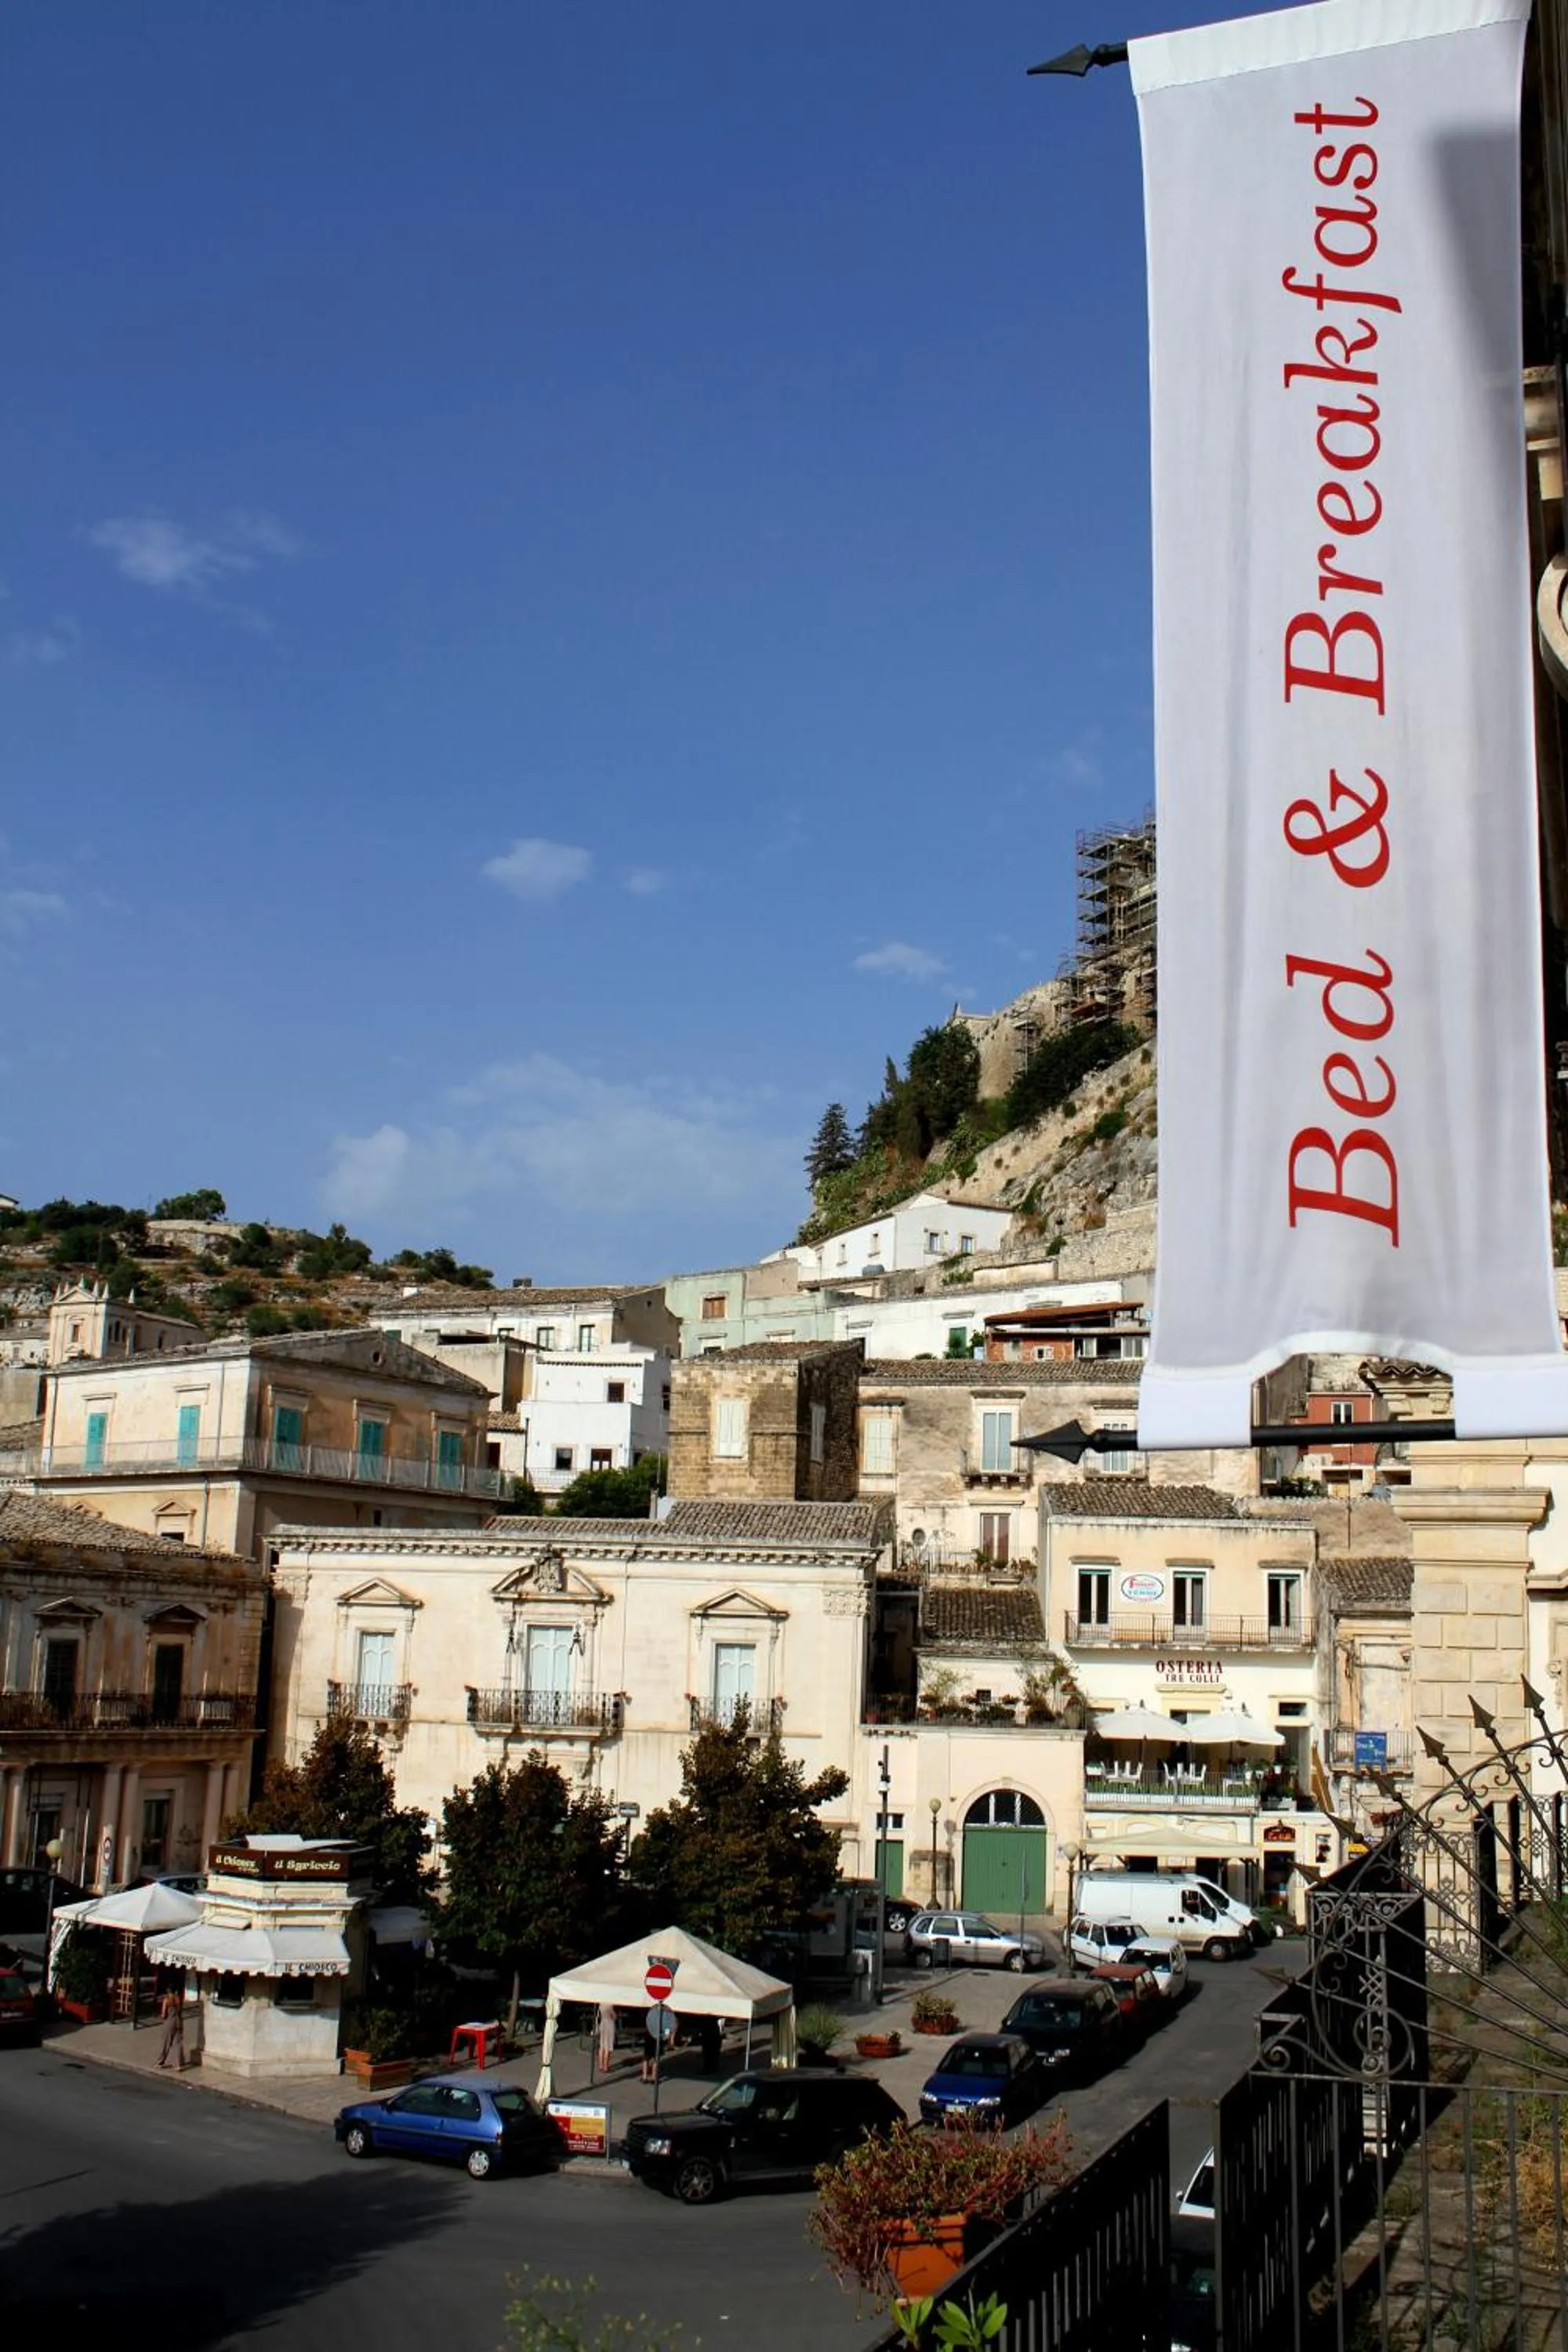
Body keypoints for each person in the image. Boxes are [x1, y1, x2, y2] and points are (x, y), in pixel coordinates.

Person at [156, 1983, 185, 2071]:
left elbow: (164, 2014)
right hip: (178, 2022)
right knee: (177, 2043)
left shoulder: (167, 2000)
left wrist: (162, 2018)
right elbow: (180, 2012)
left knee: (166, 2043)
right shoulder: (178, 1999)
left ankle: (160, 2062)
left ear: (168, 1990)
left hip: (170, 2022)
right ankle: (178, 2064)